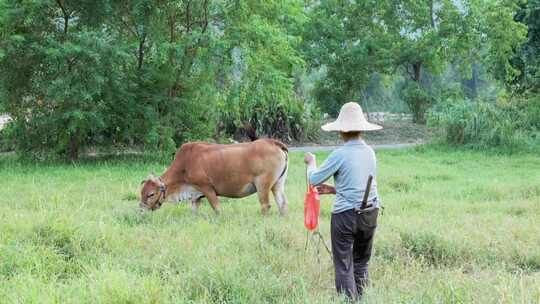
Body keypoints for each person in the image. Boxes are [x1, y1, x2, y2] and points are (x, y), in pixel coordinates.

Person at [304, 102, 382, 300]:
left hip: (346, 217)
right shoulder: (370, 152)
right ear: (361, 129)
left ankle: (348, 301)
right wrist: (334, 189)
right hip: (370, 213)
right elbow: (360, 186)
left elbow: (313, 180)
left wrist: (311, 163)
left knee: (344, 265)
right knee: (361, 263)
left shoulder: (340, 153)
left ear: (342, 130)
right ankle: (362, 299)